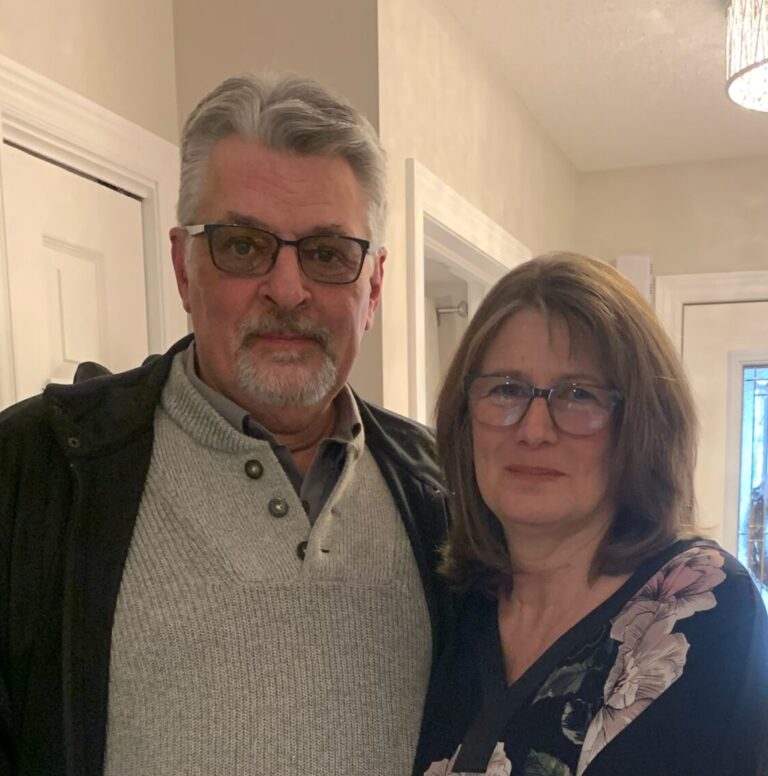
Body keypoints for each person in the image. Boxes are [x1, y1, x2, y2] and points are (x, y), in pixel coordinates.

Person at [0, 74, 452, 776]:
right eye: (242, 245)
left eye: (328, 253)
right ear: (184, 268)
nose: (289, 290)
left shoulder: (443, 494)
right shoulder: (33, 471)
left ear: (374, 286)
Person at [415, 253, 768, 776]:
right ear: (465, 419)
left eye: (579, 394)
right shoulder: (447, 606)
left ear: (641, 424)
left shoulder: (706, 611)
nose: (534, 429)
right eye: (506, 389)